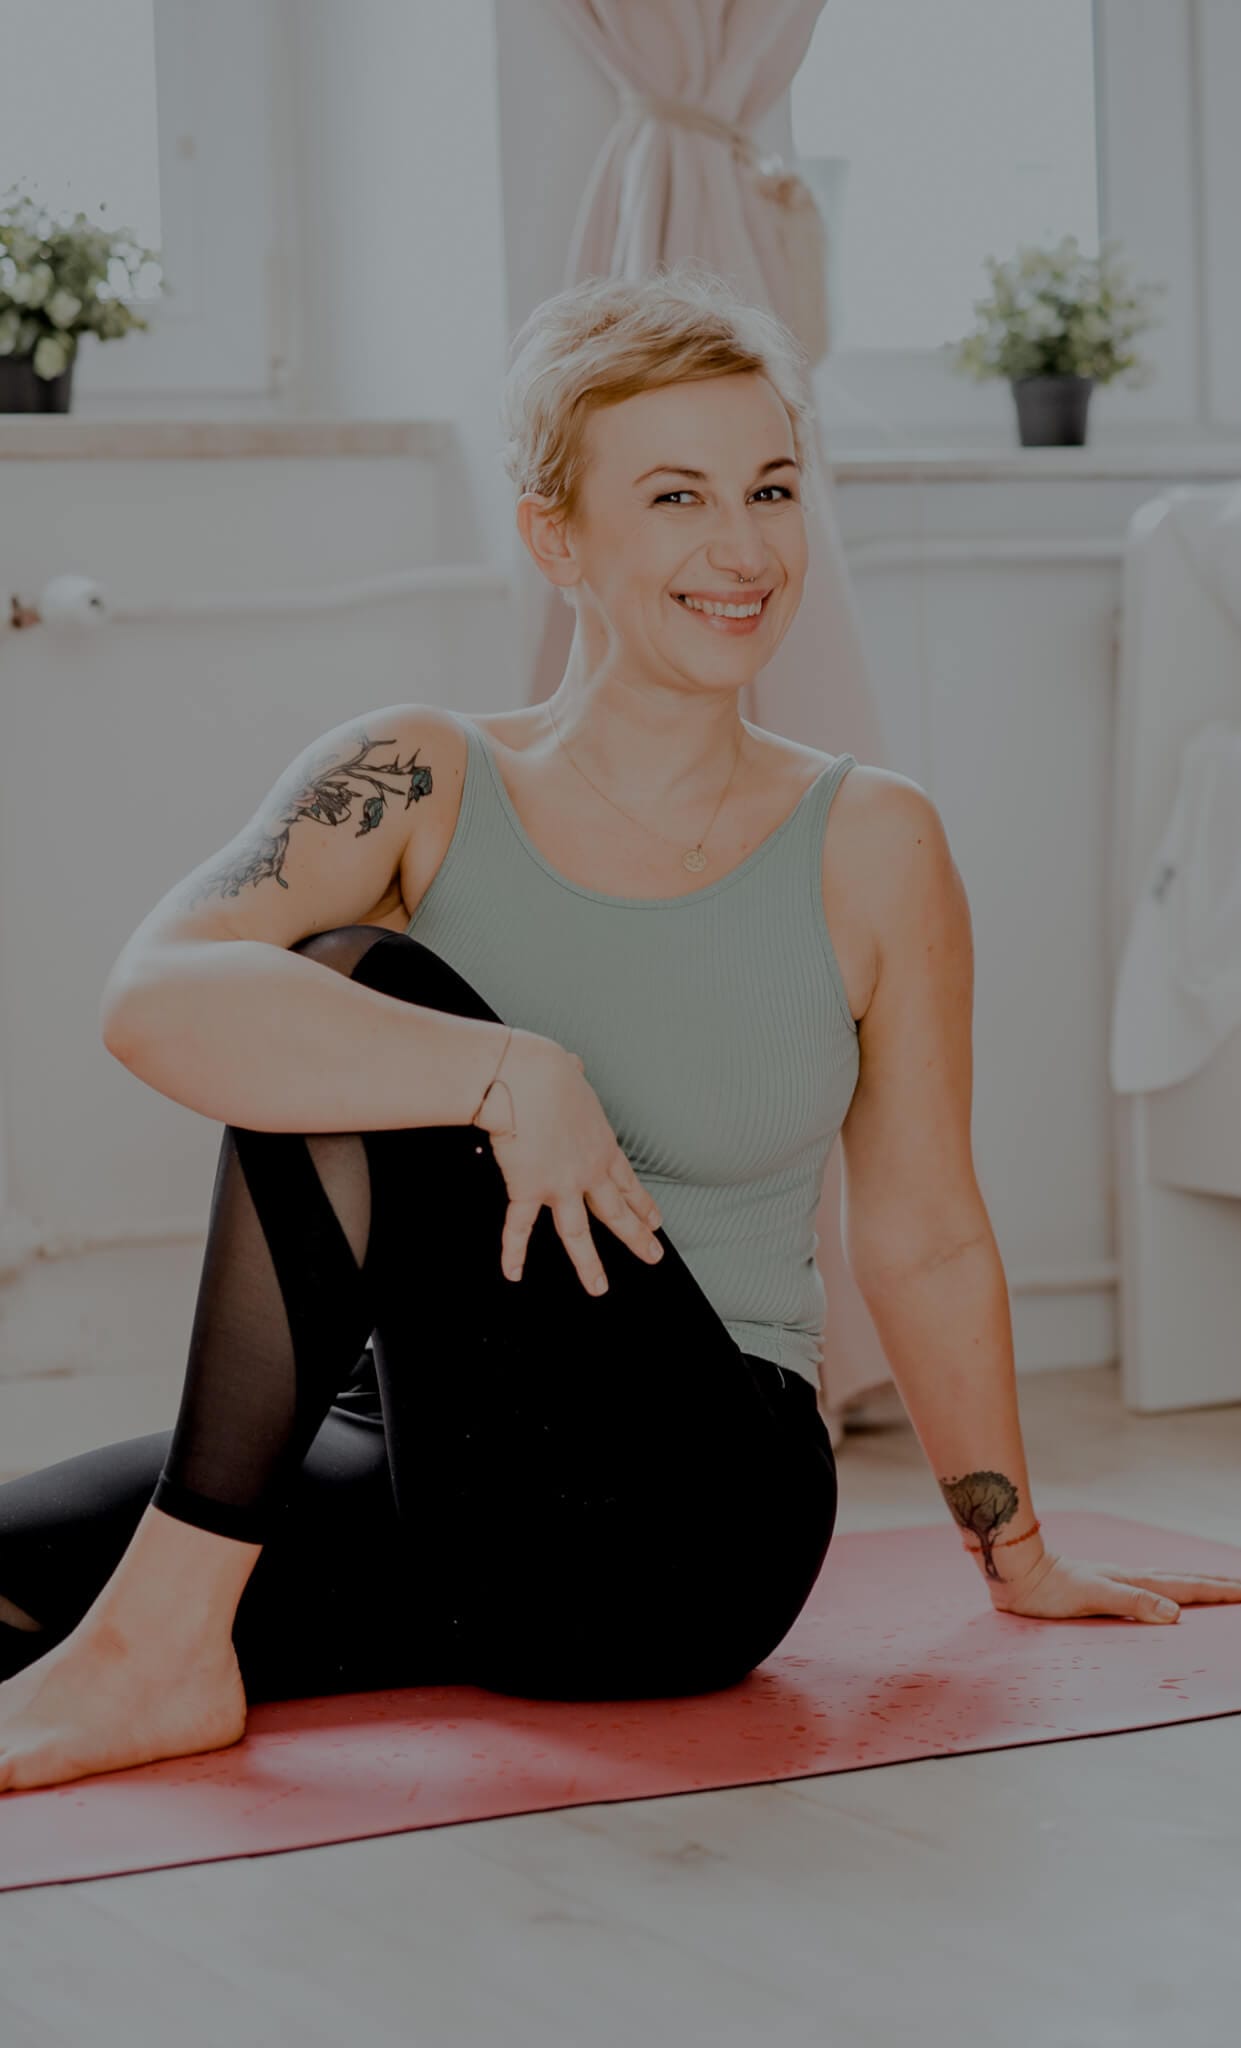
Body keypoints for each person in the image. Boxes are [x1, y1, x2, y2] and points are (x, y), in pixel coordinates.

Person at [0, 268, 868, 1793]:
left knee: (353, 975)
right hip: (442, 1486)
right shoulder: (417, 772)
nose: (742, 547)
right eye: (676, 495)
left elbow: (928, 1227)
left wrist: (1013, 1537)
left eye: (772, 489)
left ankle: (164, 1643)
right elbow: (155, 997)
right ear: (555, 537)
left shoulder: (871, 835)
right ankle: (172, 1634)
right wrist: (506, 1068)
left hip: (696, 1516)